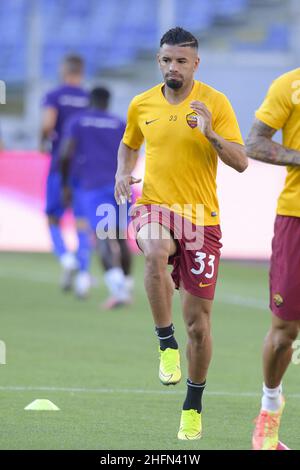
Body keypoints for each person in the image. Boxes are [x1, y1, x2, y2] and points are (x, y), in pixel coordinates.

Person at [115, 27, 247, 440]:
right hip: (154, 205)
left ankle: (193, 403)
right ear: (159, 61)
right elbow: (129, 143)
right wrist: (122, 171)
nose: (173, 67)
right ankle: (165, 342)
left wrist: (211, 135)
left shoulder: (215, 104)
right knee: (153, 251)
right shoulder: (142, 104)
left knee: (199, 327)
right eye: (167, 60)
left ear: (195, 64)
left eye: (181, 61)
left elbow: (241, 162)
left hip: (202, 220)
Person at [246, 68, 300, 450]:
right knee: (285, 333)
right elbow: (255, 143)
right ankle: (269, 409)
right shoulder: (290, 86)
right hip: (297, 218)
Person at [60, 87, 134, 308]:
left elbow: (65, 153)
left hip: (93, 186)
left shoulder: (78, 121)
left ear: (89, 101)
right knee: (121, 236)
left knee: (102, 236)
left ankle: (118, 289)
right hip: (120, 185)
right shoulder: (119, 123)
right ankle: (126, 284)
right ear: (107, 102)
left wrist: (65, 183)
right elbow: (132, 152)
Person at [40, 55, 91, 296]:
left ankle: (65, 258)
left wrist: (43, 143)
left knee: (52, 216)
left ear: (64, 69)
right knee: (82, 220)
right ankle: (83, 275)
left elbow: (48, 125)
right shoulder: (88, 99)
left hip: (60, 163)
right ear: (81, 72)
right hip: (83, 167)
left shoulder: (54, 95)